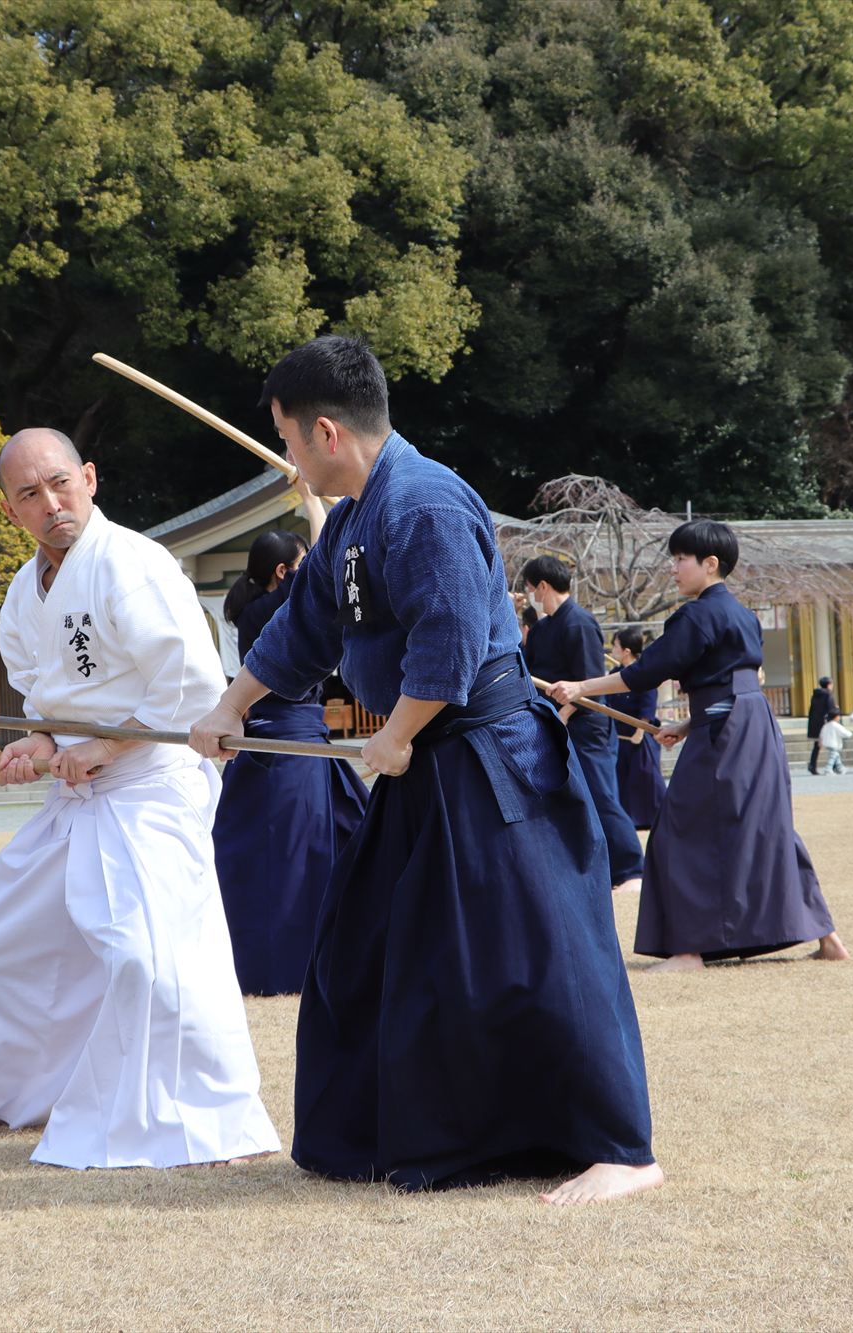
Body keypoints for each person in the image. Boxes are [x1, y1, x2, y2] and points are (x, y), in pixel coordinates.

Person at [190, 335, 660, 1205]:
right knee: (370, 945)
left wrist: (398, 731)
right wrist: (231, 705)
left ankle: (622, 1148)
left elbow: (449, 637)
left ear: (326, 431)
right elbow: (304, 626)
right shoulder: (355, 518)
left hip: (491, 756)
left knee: (542, 946)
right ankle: (405, 1131)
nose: (288, 458)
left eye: (289, 439)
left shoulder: (425, 502)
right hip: (422, 761)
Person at [0, 427, 280, 1169]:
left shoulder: (135, 564)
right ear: (10, 511)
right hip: (77, 796)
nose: (51, 503)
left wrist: (104, 748)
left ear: (89, 478)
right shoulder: (24, 593)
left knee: (147, 958)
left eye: (60, 483)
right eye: (30, 494)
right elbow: (43, 702)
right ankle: (18, 1095)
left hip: (150, 785)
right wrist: (38, 746)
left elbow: (189, 688)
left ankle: (205, 1120)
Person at [547, 520, 849, 969]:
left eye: (680, 559)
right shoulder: (744, 615)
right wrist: (688, 725)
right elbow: (736, 682)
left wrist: (579, 687)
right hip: (752, 724)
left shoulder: (698, 615)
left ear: (710, 564)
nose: (673, 569)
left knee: (678, 829)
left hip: (726, 732)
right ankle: (828, 938)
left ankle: (688, 950)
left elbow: (645, 672)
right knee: (767, 826)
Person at [212, 500, 370, 995]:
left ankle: (334, 953)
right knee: (301, 857)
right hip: (288, 746)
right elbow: (329, 558)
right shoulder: (273, 608)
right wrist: (311, 501)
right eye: (299, 566)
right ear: (283, 573)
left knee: (316, 844)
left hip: (284, 742)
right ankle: (294, 965)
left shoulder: (255, 610)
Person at [521, 555, 644, 892]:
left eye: (530, 588)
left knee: (600, 795)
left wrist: (564, 715)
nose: (530, 595)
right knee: (560, 798)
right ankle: (585, 870)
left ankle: (632, 869)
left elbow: (589, 683)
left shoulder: (579, 623)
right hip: (551, 723)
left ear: (542, 587)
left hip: (585, 725)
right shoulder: (542, 628)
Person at [608, 628, 668, 829]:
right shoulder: (614, 674)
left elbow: (648, 703)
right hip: (619, 736)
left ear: (626, 651)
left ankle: (657, 818)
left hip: (639, 736)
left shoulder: (643, 672)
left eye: (615, 646)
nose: (612, 649)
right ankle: (628, 821)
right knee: (622, 780)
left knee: (646, 778)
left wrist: (640, 731)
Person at [805, 674, 841, 775]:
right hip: (826, 723)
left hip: (816, 723)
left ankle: (812, 765)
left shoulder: (815, 695)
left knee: (817, 745)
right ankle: (835, 766)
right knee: (832, 745)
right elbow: (831, 710)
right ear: (829, 685)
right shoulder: (828, 695)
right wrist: (837, 710)